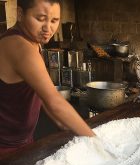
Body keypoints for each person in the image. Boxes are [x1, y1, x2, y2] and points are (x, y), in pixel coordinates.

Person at [0, 0, 95, 156]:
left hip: (23, 140)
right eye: (40, 19)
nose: (48, 28)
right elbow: (55, 102)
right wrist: (96, 142)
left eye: (54, 21)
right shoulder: (19, 46)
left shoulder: (33, 41)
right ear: (20, 14)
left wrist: (61, 122)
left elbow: (39, 92)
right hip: (4, 146)